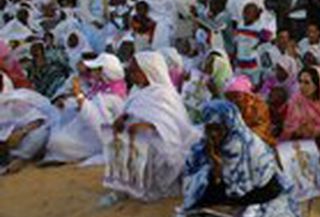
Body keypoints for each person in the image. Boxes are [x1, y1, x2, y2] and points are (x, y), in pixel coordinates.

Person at [173, 100, 312, 217]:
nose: (213, 134)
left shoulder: (253, 149)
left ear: (231, 124)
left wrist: (232, 199)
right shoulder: (200, 151)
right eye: (209, 128)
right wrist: (211, 175)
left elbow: (269, 190)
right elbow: (190, 190)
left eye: (218, 128)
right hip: (222, 214)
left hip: (261, 207)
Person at [107, 51, 200, 200]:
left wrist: (144, 126)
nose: (131, 74)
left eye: (134, 71)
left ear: (148, 71)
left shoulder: (164, 94)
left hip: (161, 143)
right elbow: (132, 111)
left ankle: (147, 186)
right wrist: (122, 118)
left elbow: (167, 125)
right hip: (135, 137)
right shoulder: (137, 92)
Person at [44, 53, 127, 164]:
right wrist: (71, 102)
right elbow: (89, 103)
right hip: (85, 128)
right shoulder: (100, 87)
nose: (91, 72)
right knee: (55, 120)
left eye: (95, 70)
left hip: (99, 137)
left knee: (57, 142)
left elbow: (98, 122)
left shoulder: (114, 96)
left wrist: (79, 95)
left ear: (104, 72)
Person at [280, 67, 320, 167]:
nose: (301, 86)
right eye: (300, 81)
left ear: (318, 85)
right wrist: (298, 130)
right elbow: (288, 126)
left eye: (307, 82)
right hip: (298, 146)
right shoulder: (296, 101)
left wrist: (315, 130)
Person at [223, 75, 275, 146]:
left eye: (236, 96)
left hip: (256, 140)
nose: (233, 100)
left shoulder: (258, 106)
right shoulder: (228, 106)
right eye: (229, 97)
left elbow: (262, 128)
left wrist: (242, 136)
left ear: (246, 94)